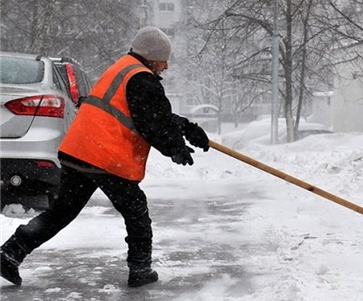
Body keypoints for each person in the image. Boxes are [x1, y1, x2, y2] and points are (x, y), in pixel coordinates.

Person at [0, 26, 210, 288]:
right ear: (152, 56)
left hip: (80, 151)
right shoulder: (142, 79)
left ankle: (10, 253)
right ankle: (140, 269)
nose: (166, 66)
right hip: (104, 157)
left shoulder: (124, 69)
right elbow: (152, 122)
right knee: (136, 211)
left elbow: (150, 114)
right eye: (163, 59)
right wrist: (175, 148)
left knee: (62, 212)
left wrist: (188, 129)